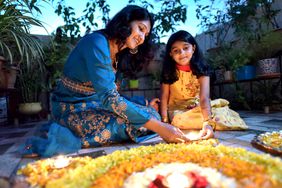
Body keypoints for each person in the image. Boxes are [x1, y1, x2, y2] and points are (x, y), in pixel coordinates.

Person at [21, 5, 190, 158]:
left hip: (94, 104)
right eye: (140, 28)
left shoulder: (118, 53)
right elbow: (110, 98)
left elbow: (113, 95)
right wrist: (160, 128)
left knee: (152, 114)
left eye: (145, 34)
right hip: (69, 108)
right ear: (126, 21)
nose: (142, 37)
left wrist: (145, 103)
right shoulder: (96, 42)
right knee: (127, 123)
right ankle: (64, 132)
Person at [160, 30, 247, 139]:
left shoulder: (202, 70)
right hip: (179, 111)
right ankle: (207, 120)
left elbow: (204, 98)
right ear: (171, 54)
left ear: (193, 48)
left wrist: (207, 124)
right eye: (176, 50)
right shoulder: (168, 72)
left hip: (199, 107)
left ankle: (209, 122)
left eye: (186, 48)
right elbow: (164, 97)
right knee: (179, 120)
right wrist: (164, 122)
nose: (182, 53)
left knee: (216, 113)